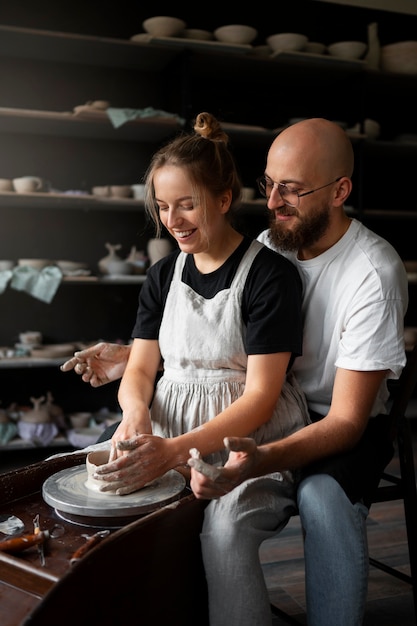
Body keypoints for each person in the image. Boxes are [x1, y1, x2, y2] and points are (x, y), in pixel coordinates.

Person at [62, 117, 409, 625]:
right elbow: (210, 334)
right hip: (250, 405)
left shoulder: (371, 272)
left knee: (320, 498)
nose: (270, 204)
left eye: (290, 190)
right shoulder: (275, 241)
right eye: (269, 186)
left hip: (335, 420)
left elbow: (344, 422)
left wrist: (255, 459)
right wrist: (136, 359)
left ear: (340, 191)